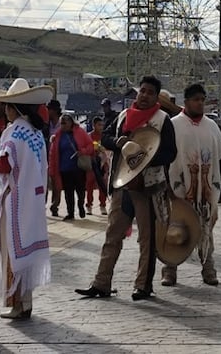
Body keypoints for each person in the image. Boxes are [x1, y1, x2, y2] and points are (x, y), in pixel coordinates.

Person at [76, 75, 178, 301]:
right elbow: (105, 137)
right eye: (142, 91)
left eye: (150, 92)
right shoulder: (123, 116)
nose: (144, 95)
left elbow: (170, 153)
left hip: (147, 187)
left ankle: (143, 285)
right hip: (122, 184)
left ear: (156, 97)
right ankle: (101, 282)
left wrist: (145, 156)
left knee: (147, 239)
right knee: (112, 234)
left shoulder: (163, 120)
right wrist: (119, 142)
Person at [0, 78, 53, 319]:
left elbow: (5, 164)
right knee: (26, 250)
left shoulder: (15, 131)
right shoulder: (35, 132)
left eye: (7, 106)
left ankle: (18, 303)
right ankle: (25, 301)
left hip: (15, 198)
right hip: (33, 198)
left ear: (14, 108)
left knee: (13, 250)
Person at [161, 83, 221, 287]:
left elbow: (220, 156)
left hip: (206, 188)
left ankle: (208, 267)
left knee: (205, 227)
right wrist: (168, 185)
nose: (200, 103)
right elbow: (166, 158)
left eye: (202, 100)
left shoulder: (211, 126)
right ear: (186, 101)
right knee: (175, 228)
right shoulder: (173, 125)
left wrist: (215, 183)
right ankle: (170, 269)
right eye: (196, 100)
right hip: (178, 188)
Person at [49, 113, 94, 220]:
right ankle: (70, 213)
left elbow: (90, 146)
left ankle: (81, 205)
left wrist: (82, 151)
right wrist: (52, 169)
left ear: (71, 122)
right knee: (68, 192)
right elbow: (52, 154)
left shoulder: (80, 132)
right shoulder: (57, 136)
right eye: (62, 123)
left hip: (78, 167)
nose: (63, 125)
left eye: (65, 122)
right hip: (64, 168)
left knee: (80, 190)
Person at [85, 116, 110, 215]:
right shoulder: (88, 136)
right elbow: (86, 148)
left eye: (102, 125)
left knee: (102, 184)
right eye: (99, 125)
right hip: (91, 163)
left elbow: (108, 150)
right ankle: (89, 205)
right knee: (89, 184)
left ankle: (103, 205)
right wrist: (95, 148)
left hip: (102, 164)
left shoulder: (105, 137)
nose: (101, 127)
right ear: (94, 125)